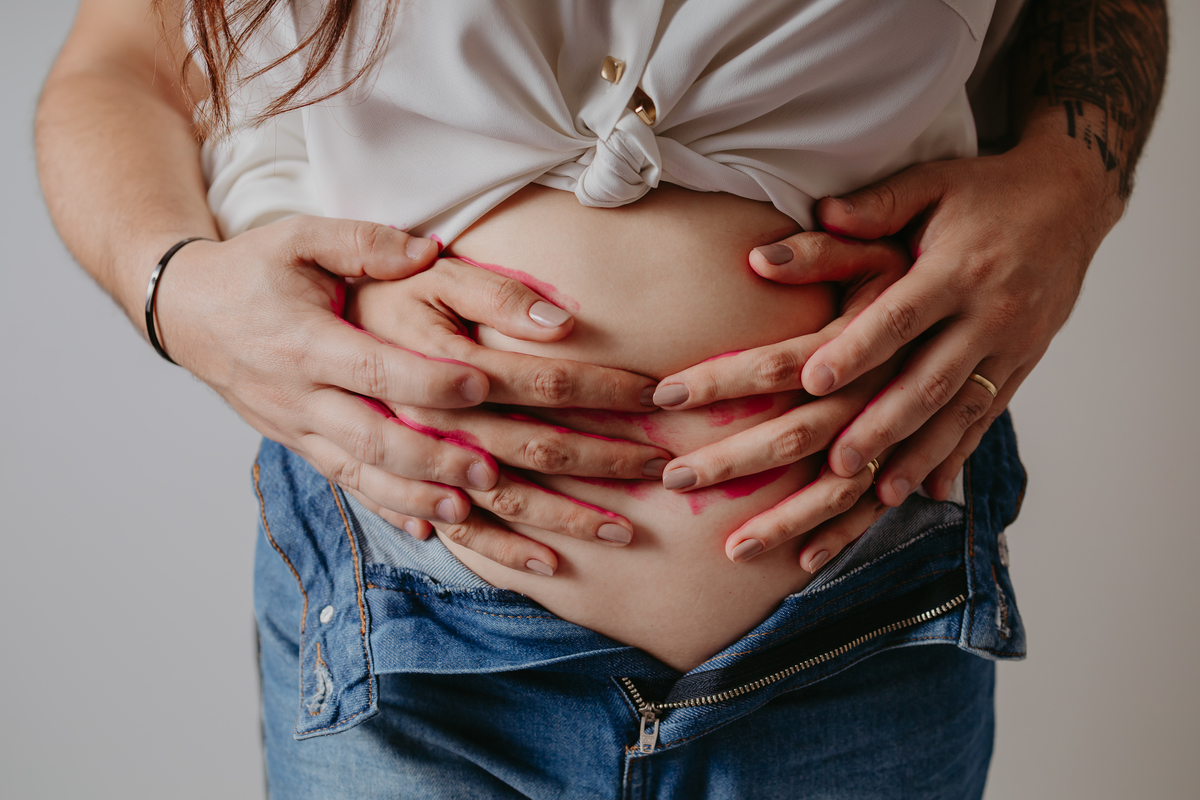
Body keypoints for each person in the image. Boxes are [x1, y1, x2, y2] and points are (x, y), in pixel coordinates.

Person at [35, 0, 1168, 797]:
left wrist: (1071, 188)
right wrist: (173, 289)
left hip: (862, 616)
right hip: (414, 634)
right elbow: (124, 56)